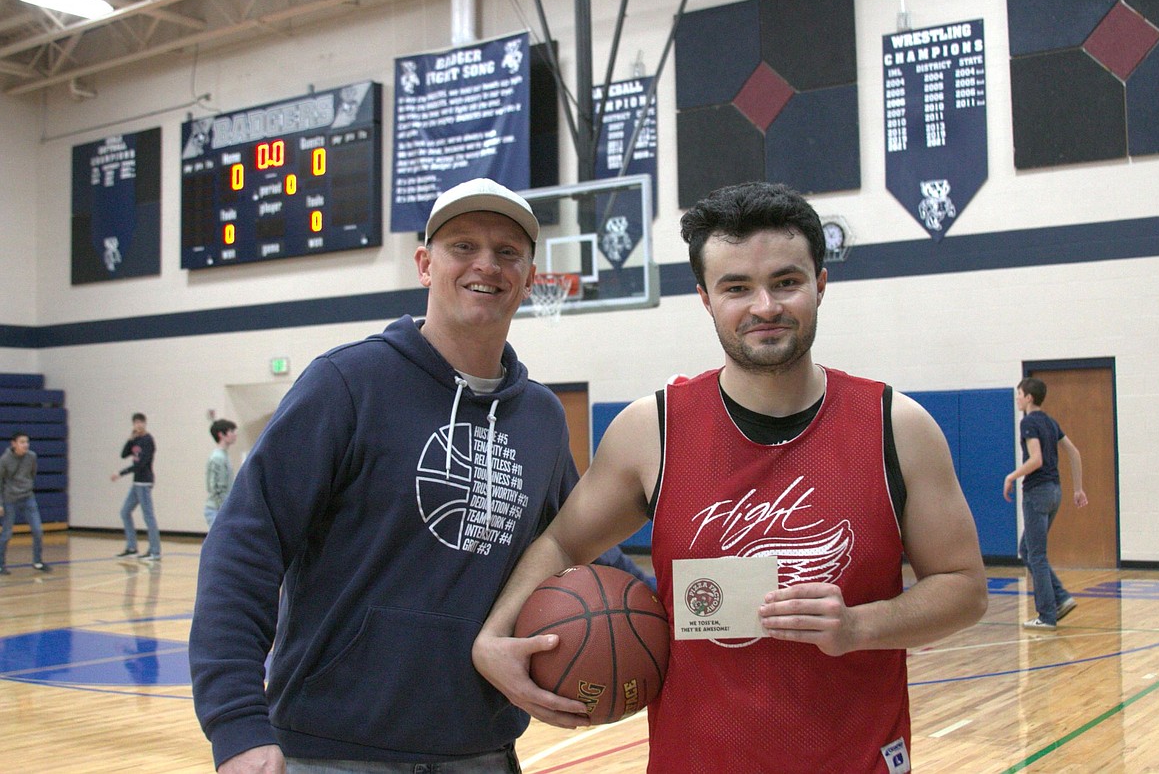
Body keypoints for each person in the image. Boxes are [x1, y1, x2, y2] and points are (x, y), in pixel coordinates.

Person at [473, 181, 988, 773]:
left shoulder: (896, 427)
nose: (764, 306)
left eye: (787, 282)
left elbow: (964, 588)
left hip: (856, 760)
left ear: (820, 284)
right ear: (705, 298)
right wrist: (495, 634)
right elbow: (563, 541)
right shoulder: (653, 431)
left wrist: (857, 625)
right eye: (737, 287)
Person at [191, 178, 613, 774]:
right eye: (463, 246)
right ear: (424, 264)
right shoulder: (346, 384)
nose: (486, 265)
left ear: (529, 275)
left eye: (507, 252)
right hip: (329, 749)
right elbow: (245, 546)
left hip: (482, 750)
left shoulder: (541, 416)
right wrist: (234, 721)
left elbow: (579, 546)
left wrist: (688, 604)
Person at [1003, 377, 1088, 630]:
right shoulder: (1050, 422)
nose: (1017, 398)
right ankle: (1060, 598)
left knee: (1036, 555)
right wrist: (1078, 488)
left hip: (1037, 492)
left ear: (1029, 397)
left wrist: (1011, 476)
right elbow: (1074, 452)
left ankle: (1047, 615)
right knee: (1028, 550)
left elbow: (1036, 459)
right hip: (1055, 492)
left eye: (1019, 394)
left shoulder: (1028, 422)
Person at [111, 412, 161, 560]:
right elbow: (123, 454)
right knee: (125, 512)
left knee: (148, 516)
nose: (138, 425)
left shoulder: (148, 440)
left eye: (141, 422)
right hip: (136, 482)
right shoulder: (136, 440)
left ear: (145, 423)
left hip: (144, 481)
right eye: (136, 422)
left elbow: (141, 464)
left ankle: (154, 550)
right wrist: (130, 439)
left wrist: (121, 473)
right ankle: (131, 547)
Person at [0, 431, 52, 574]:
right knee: (7, 533)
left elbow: (32, 474)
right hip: (10, 499)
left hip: (28, 497)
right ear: (14, 444)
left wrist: (26, 487)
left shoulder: (32, 457)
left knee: (37, 530)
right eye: (22, 442)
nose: (25, 445)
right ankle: (0, 564)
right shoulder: (5, 460)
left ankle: (37, 561)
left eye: (27, 442)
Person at [204, 418, 238, 527]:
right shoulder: (218, 458)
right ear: (221, 435)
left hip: (220, 510)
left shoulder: (223, 456)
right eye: (231, 431)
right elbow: (216, 488)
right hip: (216, 510)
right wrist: (225, 510)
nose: (234, 434)